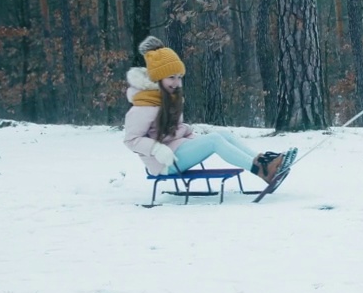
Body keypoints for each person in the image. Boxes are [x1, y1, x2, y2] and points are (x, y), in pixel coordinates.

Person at [123, 36, 295, 185]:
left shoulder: (169, 99)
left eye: (179, 77)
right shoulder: (144, 105)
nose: (176, 83)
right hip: (163, 163)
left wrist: (189, 134)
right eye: (171, 77)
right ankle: (261, 170)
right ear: (157, 78)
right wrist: (157, 150)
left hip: (177, 151)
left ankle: (263, 161)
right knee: (214, 140)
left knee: (222, 135)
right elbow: (131, 140)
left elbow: (175, 130)